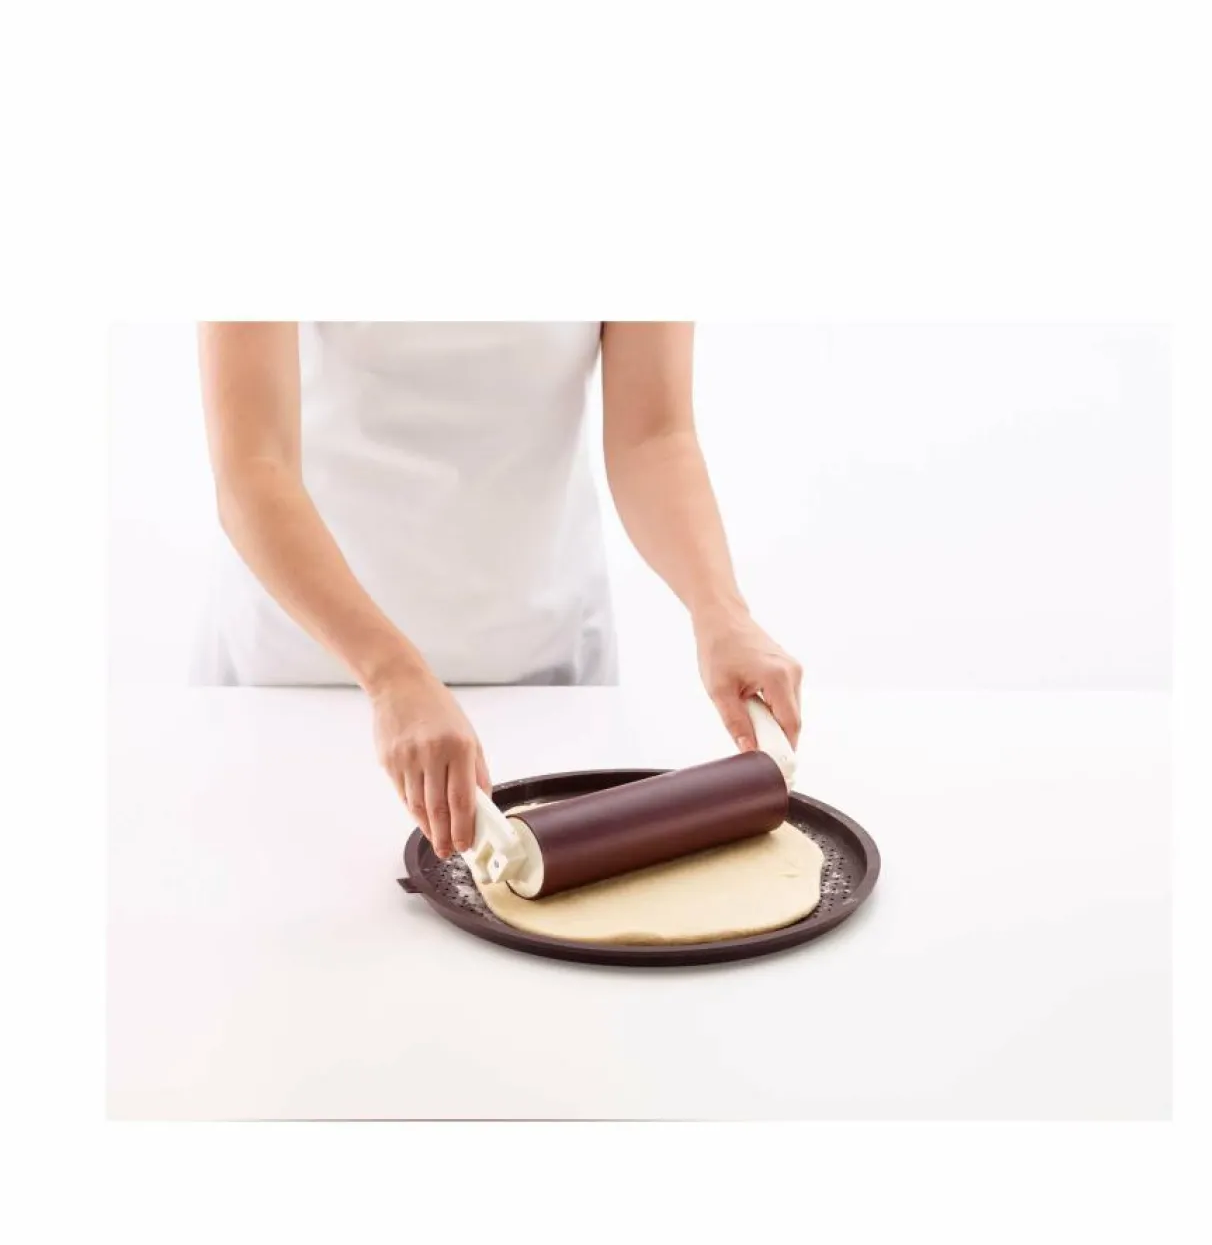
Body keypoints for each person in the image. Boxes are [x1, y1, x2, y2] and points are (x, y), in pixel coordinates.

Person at [197, 322, 803, 859]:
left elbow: (653, 437)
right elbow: (253, 469)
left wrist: (720, 610)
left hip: (543, 669)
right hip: (310, 677)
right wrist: (392, 675)